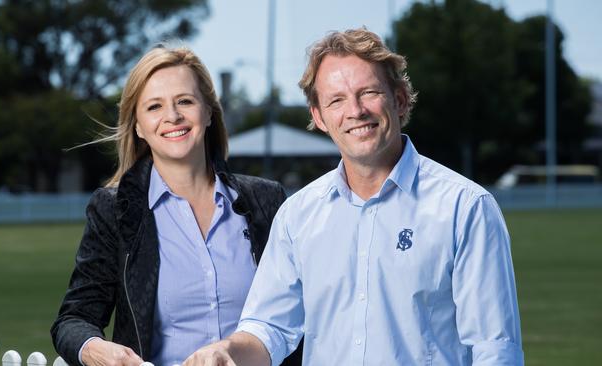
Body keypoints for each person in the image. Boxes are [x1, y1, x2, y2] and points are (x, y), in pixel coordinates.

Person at [185, 28, 524, 365]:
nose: (356, 111)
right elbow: (269, 327)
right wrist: (227, 351)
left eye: (369, 92)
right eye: (336, 100)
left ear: (400, 98)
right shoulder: (298, 215)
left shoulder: (466, 208)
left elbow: (495, 349)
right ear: (318, 117)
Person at [50, 45, 301, 366]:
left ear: (209, 111)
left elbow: (296, 311)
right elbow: (73, 319)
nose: (172, 116)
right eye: (154, 106)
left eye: (185, 101)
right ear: (138, 125)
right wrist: (96, 349)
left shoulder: (266, 200)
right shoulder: (114, 210)